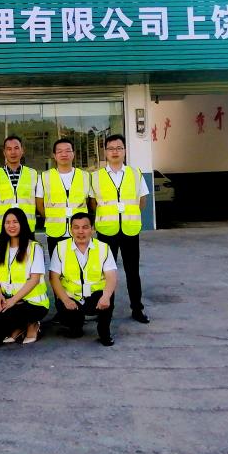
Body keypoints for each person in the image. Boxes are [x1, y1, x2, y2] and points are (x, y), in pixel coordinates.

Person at [91, 134, 150, 324]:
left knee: (133, 272)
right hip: (106, 230)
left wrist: (127, 216)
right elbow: (93, 203)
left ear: (125, 150)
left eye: (119, 148)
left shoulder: (135, 173)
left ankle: (137, 309)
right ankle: (105, 309)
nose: (115, 152)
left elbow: (142, 201)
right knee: (105, 273)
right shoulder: (96, 176)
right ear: (105, 152)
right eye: (111, 148)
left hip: (130, 229)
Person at [49, 212, 118, 346]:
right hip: (71, 297)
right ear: (71, 230)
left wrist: (106, 296)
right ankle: (76, 327)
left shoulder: (103, 247)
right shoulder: (60, 247)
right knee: (69, 320)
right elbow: (53, 278)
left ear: (93, 229)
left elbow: (111, 276)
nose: (80, 231)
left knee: (109, 296)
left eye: (85, 227)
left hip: (95, 295)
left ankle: (104, 332)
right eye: (76, 227)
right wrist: (65, 299)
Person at [0, 208, 49, 344]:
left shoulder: (34, 247)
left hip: (32, 303)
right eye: (7, 222)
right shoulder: (0, 246)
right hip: (8, 299)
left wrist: (12, 301)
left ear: (22, 223)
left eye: (15, 222)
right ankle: (20, 326)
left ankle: (33, 324)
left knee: (6, 317)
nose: (11, 226)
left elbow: (34, 279)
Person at [37, 137, 93, 257]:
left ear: (73, 154)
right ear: (54, 155)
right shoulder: (44, 177)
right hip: (55, 230)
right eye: (60, 151)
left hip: (80, 230)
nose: (64, 154)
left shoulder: (85, 176)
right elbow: (39, 203)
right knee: (56, 265)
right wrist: (50, 217)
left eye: (68, 151)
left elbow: (88, 201)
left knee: (80, 263)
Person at [0, 135, 39, 237]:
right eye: (9, 149)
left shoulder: (33, 174)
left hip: (26, 227)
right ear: (4, 152)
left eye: (16, 148)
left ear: (22, 150)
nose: (13, 152)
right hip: (3, 228)